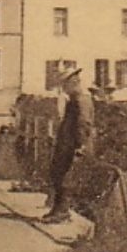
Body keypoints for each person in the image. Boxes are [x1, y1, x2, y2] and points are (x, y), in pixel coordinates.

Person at [44, 67, 96, 223]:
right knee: (57, 175)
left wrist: (80, 145)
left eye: (65, 85)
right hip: (66, 145)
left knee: (66, 178)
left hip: (75, 147)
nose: (64, 89)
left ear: (73, 83)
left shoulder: (82, 100)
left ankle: (62, 212)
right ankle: (57, 209)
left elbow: (84, 124)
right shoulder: (73, 100)